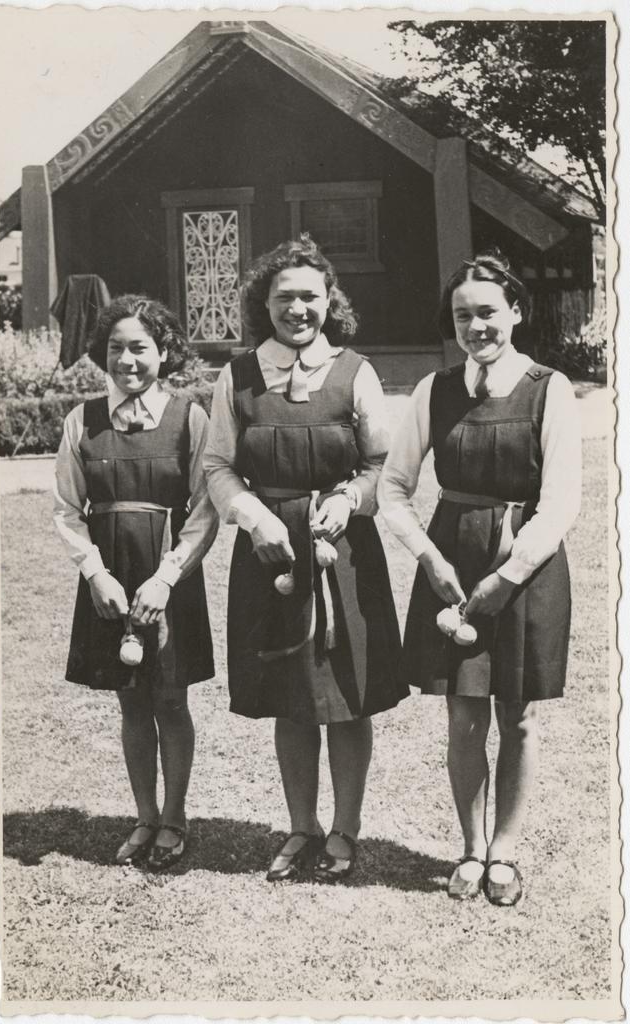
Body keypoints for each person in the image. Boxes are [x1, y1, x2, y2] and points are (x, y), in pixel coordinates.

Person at [378, 250, 581, 906]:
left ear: (515, 311)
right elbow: (391, 487)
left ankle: (505, 852)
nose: (476, 327)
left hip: (526, 567)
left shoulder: (549, 388)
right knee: (463, 716)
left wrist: (510, 574)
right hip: (452, 566)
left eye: (488, 312)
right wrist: (427, 556)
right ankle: (469, 849)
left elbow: (562, 499)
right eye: (463, 316)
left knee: (516, 716)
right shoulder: (433, 391)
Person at [203, 234, 406, 883]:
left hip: (341, 551)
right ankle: (301, 826)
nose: (297, 309)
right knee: (291, 699)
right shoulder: (237, 377)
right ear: (263, 304)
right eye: (283, 297)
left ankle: (344, 828)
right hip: (271, 555)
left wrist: (350, 499)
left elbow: (382, 464)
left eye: (310, 297)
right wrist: (254, 517)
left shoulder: (355, 372)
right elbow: (217, 466)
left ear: (328, 301)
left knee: (347, 697)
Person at [54, 294, 218, 870]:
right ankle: (144, 817)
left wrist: (167, 579)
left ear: (164, 351)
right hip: (111, 579)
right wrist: (95, 575)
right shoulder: (82, 421)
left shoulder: (189, 419)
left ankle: (174, 818)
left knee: (170, 699)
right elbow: (67, 510)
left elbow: (206, 510)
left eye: (140, 348)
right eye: (116, 348)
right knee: (130, 700)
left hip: (167, 576)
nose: (126, 360)